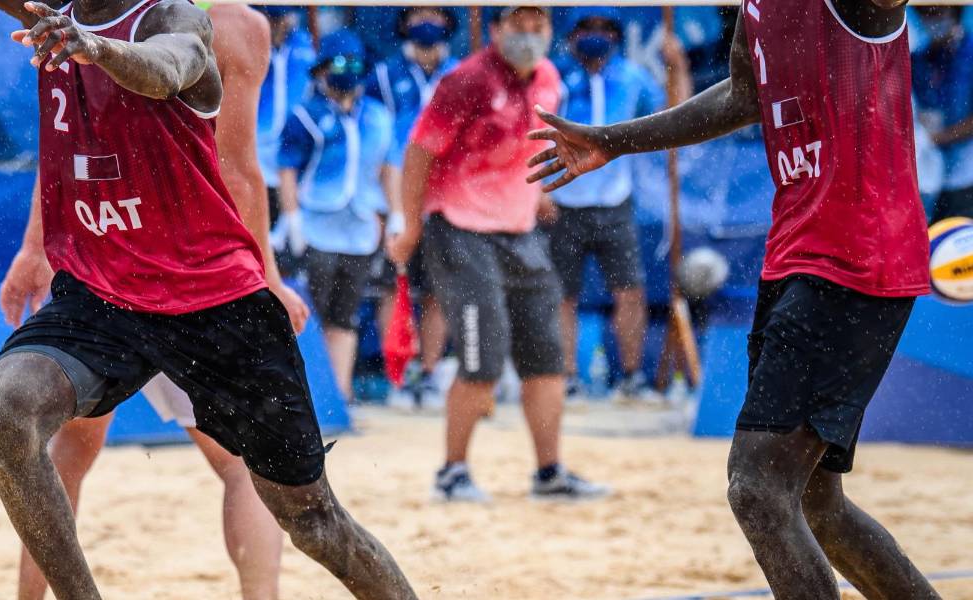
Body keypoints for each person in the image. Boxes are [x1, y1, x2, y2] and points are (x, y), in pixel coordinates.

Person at [0, 1, 418, 599]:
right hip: (102, 290)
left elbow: (173, 76)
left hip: (211, 298)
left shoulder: (180, 19)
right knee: (9, 411)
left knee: (312, 520)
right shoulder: (58, 14)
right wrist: (35, 246)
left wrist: (267, 274)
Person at [528, 0, 941, 596]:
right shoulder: (756, 9)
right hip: (799, 255)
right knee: (815, 505)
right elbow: (743, 97)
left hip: (854, 261)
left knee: (758, 488)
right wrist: (615, 141)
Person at [388, 5, 611, 504]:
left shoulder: (549, 78)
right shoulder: (465, 81)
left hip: (519, 229)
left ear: (550, 30)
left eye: (538, 25)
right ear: (495, 30)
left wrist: (538, 194)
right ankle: (452, 472)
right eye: (518, 25)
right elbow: (419, 152)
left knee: (547, 358)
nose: (529, 34)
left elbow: (532, 144)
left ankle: (550, 473)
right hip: (460, 228)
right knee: (481, 358)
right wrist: (411, 224)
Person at [541, 9, 686, 402]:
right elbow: (532, 132)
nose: (597, 35)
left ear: (617, 36)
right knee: (562, 295)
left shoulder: (633, 77)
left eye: (605, 28)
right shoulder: (553, 77)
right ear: (571, 35)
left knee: (631, 291)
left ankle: (632, 379)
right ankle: (567, 378)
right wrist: (540, 194)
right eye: (587, 27)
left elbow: (673, 117)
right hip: (562, 201)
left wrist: (678, 68)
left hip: (614, 202)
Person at [275, 30, 397, 403]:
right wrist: (292, 219)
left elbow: (388, 166)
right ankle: (307, 398)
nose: (347, 70)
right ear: (322, 70)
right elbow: (287, 170)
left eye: (354, 63)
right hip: (316, 230)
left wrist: (395, 214)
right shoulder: (305, 116)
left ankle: (338, 398)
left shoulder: (377, 116)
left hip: (359, 231)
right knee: (309, 314)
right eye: (339, 63)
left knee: (346, 315)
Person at [366, 6, 461, 412]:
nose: (428, 23)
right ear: (404, 23)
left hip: (447, 197)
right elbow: (374, 140)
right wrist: (391, 206)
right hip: (396, 194)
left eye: (435, 14)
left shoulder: (461, 74)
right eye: (419, 13)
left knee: (440, 288)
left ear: (449, 23)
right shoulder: (384, 76)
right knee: (394, 285)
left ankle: (431, 372)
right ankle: (398, 375)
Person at [256, 6, 316, 226]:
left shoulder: (304, 44)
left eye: (281, 19)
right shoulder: (251, 41)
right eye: (273, 19)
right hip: (256, 145)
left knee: (292, 216)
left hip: (293, 144)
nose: (278, 25)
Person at [912, 7, 973, 221]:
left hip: (967, 175)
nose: (930, 19)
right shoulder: (919, 59)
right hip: (930, 179)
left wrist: (939, 137)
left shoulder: (969, 53)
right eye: (924, 14)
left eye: (936, 13)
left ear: (954, 12)